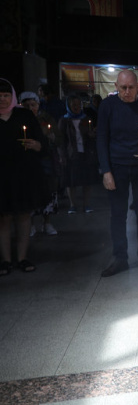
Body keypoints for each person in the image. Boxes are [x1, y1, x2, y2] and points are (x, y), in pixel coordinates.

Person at [96, 70, 138, 277]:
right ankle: (120, 258)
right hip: (117, 166)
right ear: (116, 86)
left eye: (131, 88)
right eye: (122, 88)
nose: (127, 92)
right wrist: (106, 170)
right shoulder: (107, 106)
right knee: (118, 215)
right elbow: (101, 139)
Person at [0, 78, 45, 274]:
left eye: (6, 95)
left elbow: (41, 141)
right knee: (4, 217)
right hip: (1, 175)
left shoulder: (24, 115)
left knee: (24, 215)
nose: (2, 99)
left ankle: (22, 257)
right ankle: (5, 259)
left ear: (12, 96)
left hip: (23, 173)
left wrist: (36, 145)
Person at [19, 92, 60, 236]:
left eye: (33, 105)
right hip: (27, 162)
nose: (30, 108)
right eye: (27, 105)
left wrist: (52, 138)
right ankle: (30, 224)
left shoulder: (46, 118)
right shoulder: (18, 120)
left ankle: (47, 222)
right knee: (29, 192)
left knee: (49, 190)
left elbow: (57, 137)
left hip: (46, 160)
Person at [59, 94, 99, 214]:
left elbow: (91, 136)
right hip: (71, 154)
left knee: (87, 180)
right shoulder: (64, 120)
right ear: (69, 106)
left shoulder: (86, 119)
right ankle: (73, 205)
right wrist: (62, 155)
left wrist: (92, 135)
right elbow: (61, 140)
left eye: (79, 105)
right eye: (74, 105)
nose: (77, 107)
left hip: (86, 153)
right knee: (71, 181)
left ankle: (86, 204)